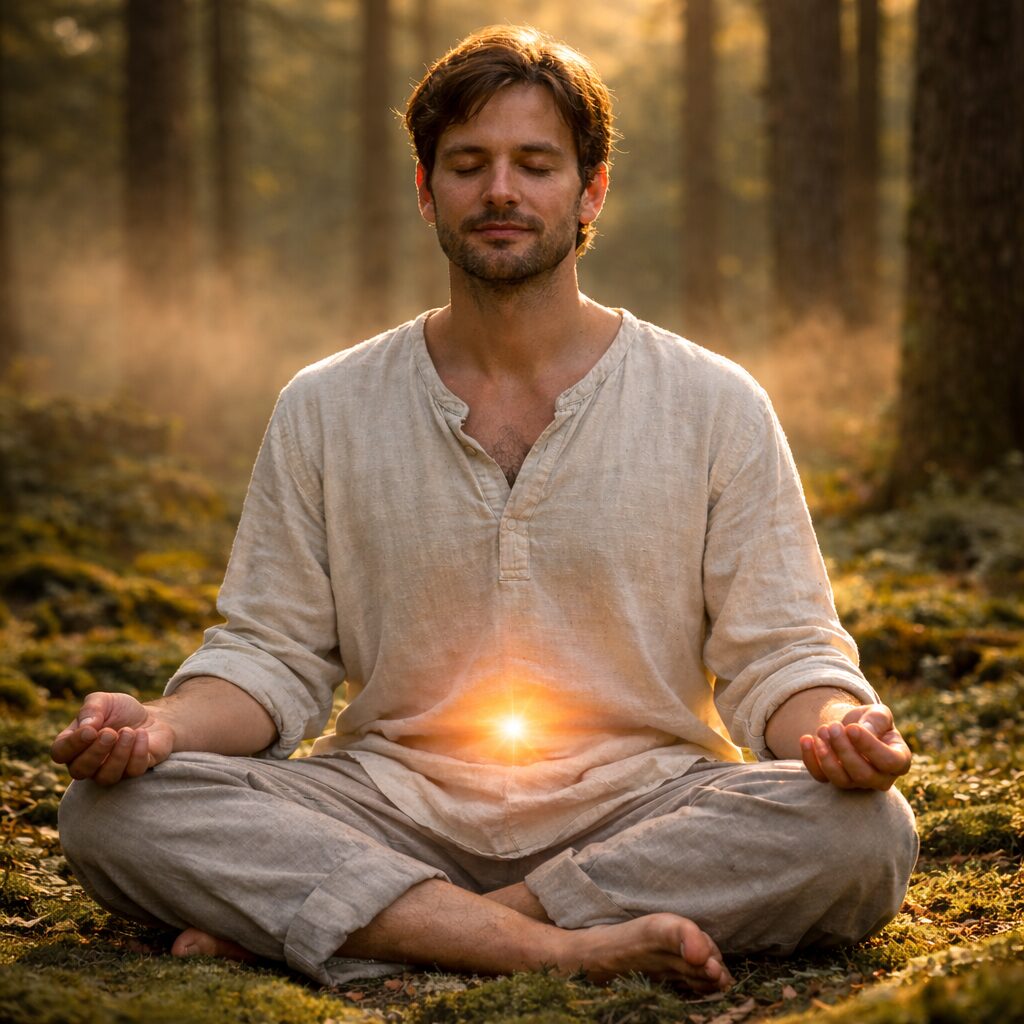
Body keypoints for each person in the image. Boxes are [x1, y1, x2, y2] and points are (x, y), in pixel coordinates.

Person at [54, 25, 917, 992]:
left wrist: (845, 724)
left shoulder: (713, 402)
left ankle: (384, 926)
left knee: (862, 829)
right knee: (111, 810)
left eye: (535, 164)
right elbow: (270, 654)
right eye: (468, 165)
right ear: (428, 190)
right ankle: (552, 948)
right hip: (386, 801)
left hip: (641, 808)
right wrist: (160, 729)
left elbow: (781, 655)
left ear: (590, 191)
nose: (500, 190)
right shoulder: (326, 404)